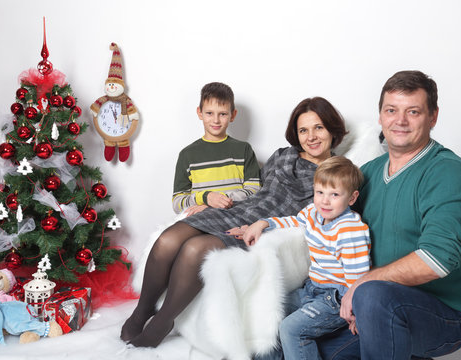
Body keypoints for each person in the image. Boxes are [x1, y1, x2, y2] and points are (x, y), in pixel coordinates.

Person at [120, 96, 347, 348]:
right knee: (168, 239)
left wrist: (264, 225)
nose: (311, 136)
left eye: (319, 128)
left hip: (265, 224)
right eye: (303, 130)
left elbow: (323, 218)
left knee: (195, 249)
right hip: (243, 208)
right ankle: (142, 311)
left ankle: (162, 321)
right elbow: (254, 188)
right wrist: (210, 200)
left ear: (331, 129)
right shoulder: (284, 155)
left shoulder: (338, 172)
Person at [317, 70, 461, 360]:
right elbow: (332, 229)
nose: (400, 121)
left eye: (413, 111)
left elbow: (438, 259)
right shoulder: (367, 173)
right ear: (380, 116)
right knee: (309, 347)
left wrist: (362, 287)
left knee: (373, 294)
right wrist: (265, 224)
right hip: (377, 306)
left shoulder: (446, 172)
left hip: (444, 314)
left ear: (433, 117)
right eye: (391, 110)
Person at [241, 156, 370, 360]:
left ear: (352, 199)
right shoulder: (313, 212)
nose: (325, 201)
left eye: (335, 194)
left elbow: (358, 278)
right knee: (268, 311)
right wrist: (263, 224)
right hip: (311, 289)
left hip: (336, 299)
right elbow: (294, 220)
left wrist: (358, 312)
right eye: (320, 192)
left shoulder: (350, 230)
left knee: (291, 329)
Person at [172, 82, 261, 216]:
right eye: (209, 113)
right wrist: (205, 198)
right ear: (199, 113)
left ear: (233, 115)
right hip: (200, 219)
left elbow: (255, 191)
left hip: (234, 215)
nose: (216, 120)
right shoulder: (187, 154)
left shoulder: (243, 150)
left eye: (223, 114)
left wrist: (217, 202)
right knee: (168, 237)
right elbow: (177, 203)